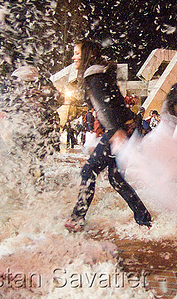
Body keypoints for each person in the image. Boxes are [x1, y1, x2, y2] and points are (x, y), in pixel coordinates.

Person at [65, 39, 152, 231]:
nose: (74, 57)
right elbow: (114, 103)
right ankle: (144, 218)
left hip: (118, 129)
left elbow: (103, 105)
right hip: (126, 127)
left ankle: (77, 219)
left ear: (87, 54)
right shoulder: (101, 72)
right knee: (116, 178)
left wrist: (115, 132)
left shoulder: (93, 74)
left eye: (77, 53)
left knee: (88, 171)